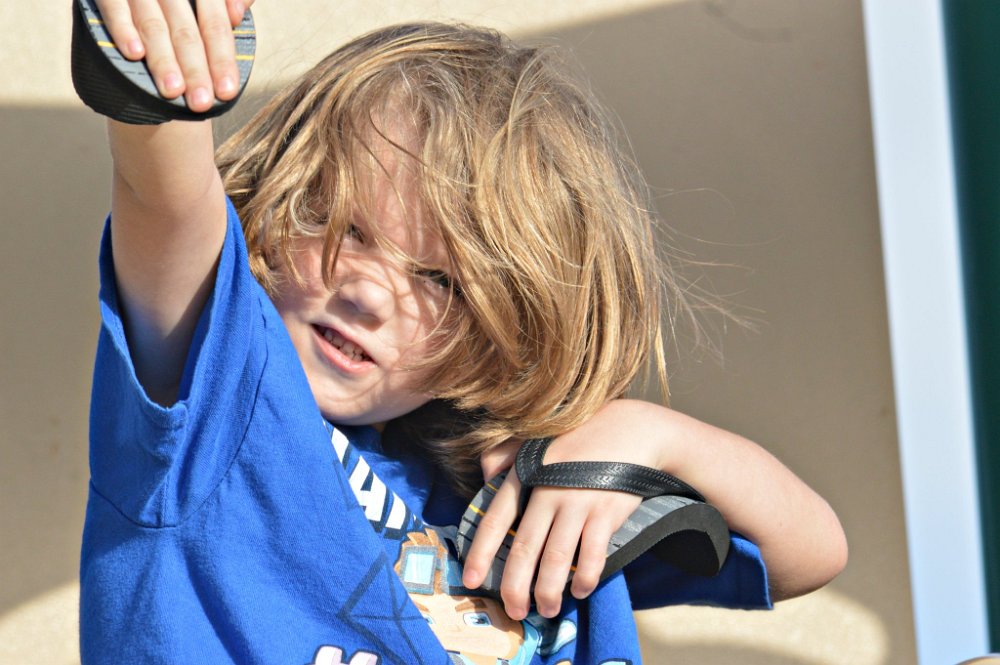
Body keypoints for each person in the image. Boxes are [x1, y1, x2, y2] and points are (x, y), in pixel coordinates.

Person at [78, 1, 847, 663]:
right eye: (345, 226)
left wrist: (654, 438)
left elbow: (810, 551)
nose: (368, 292)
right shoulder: (214, 409)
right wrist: (162, 68)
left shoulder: (524, 486)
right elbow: (163, 193)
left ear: (505, 332)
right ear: (281, 202)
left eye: (439, 280)